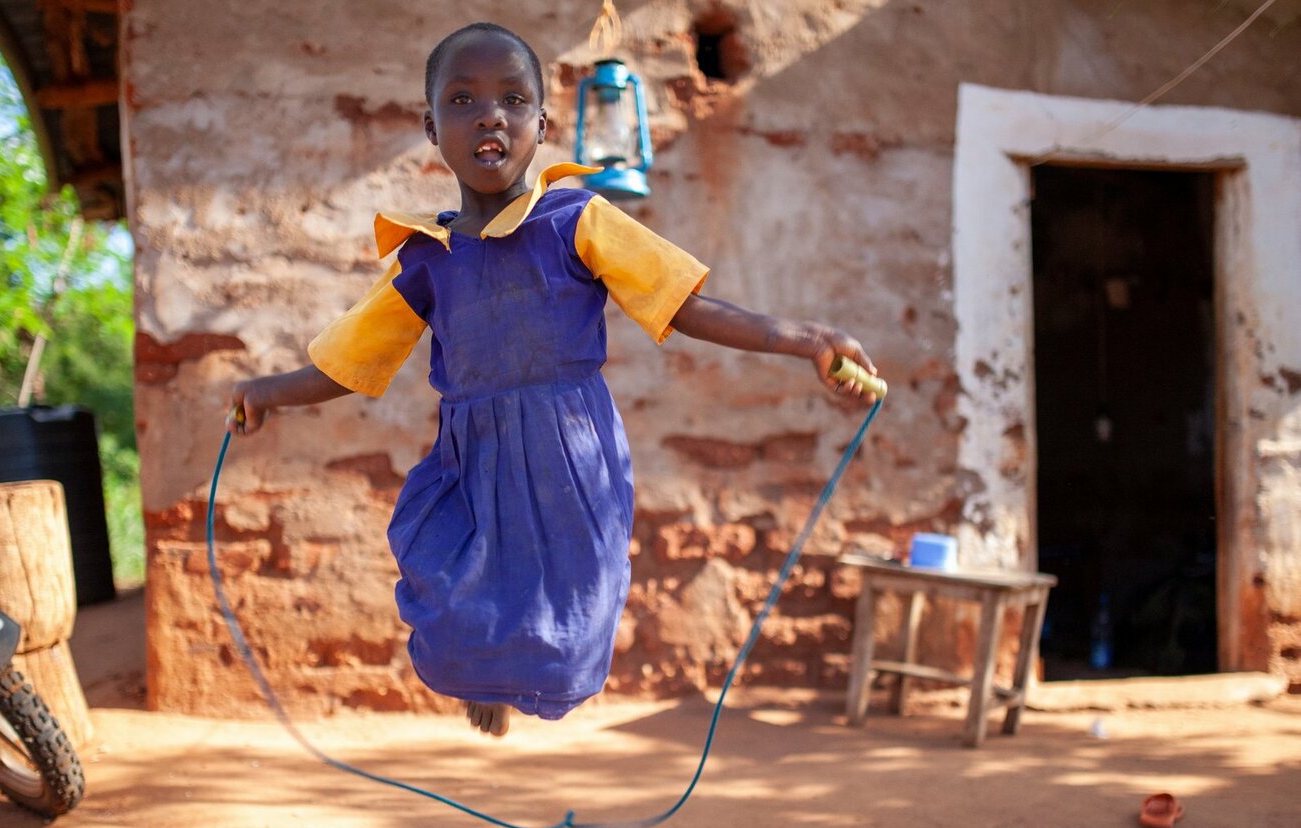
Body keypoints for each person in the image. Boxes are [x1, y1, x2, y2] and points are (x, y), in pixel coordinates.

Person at [228, 22, 877, 738]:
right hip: (474, 457)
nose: (489, 115)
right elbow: (348, 360)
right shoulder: (429, 259)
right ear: (431, 128)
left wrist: (810, 339)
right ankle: (484, 680)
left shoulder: (579, 220)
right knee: (444, 576)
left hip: (571, 454)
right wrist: (267, 392)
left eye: (512, 99)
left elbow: (685, 305)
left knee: (569, 604)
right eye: (463, 99)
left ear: (542, 124)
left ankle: (514, 679)